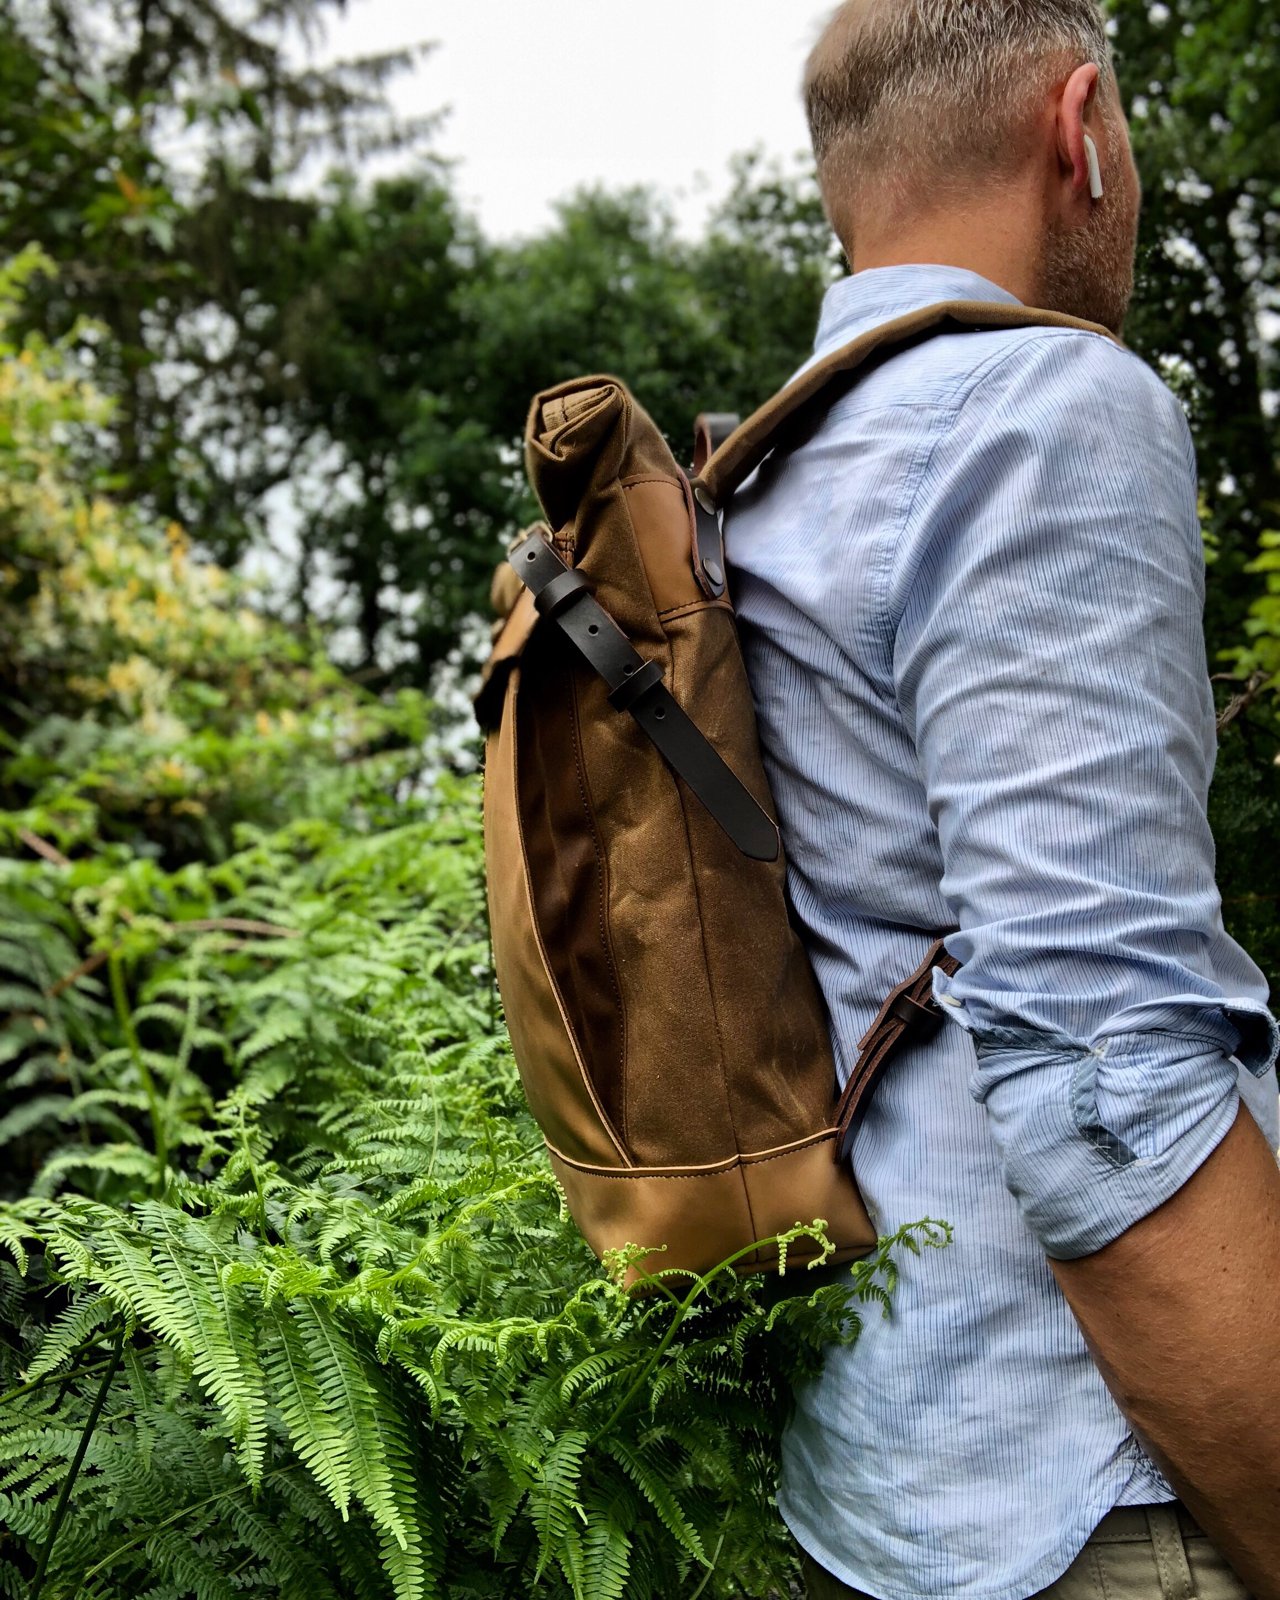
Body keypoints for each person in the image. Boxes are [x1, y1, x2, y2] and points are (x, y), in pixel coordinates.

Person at [722, 3, 1280, 1596]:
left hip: (879, 1472)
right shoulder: (1049, 409)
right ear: (1080, 124)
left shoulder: (766, 472)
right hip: (1102, 1493)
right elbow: (1107, 1072)